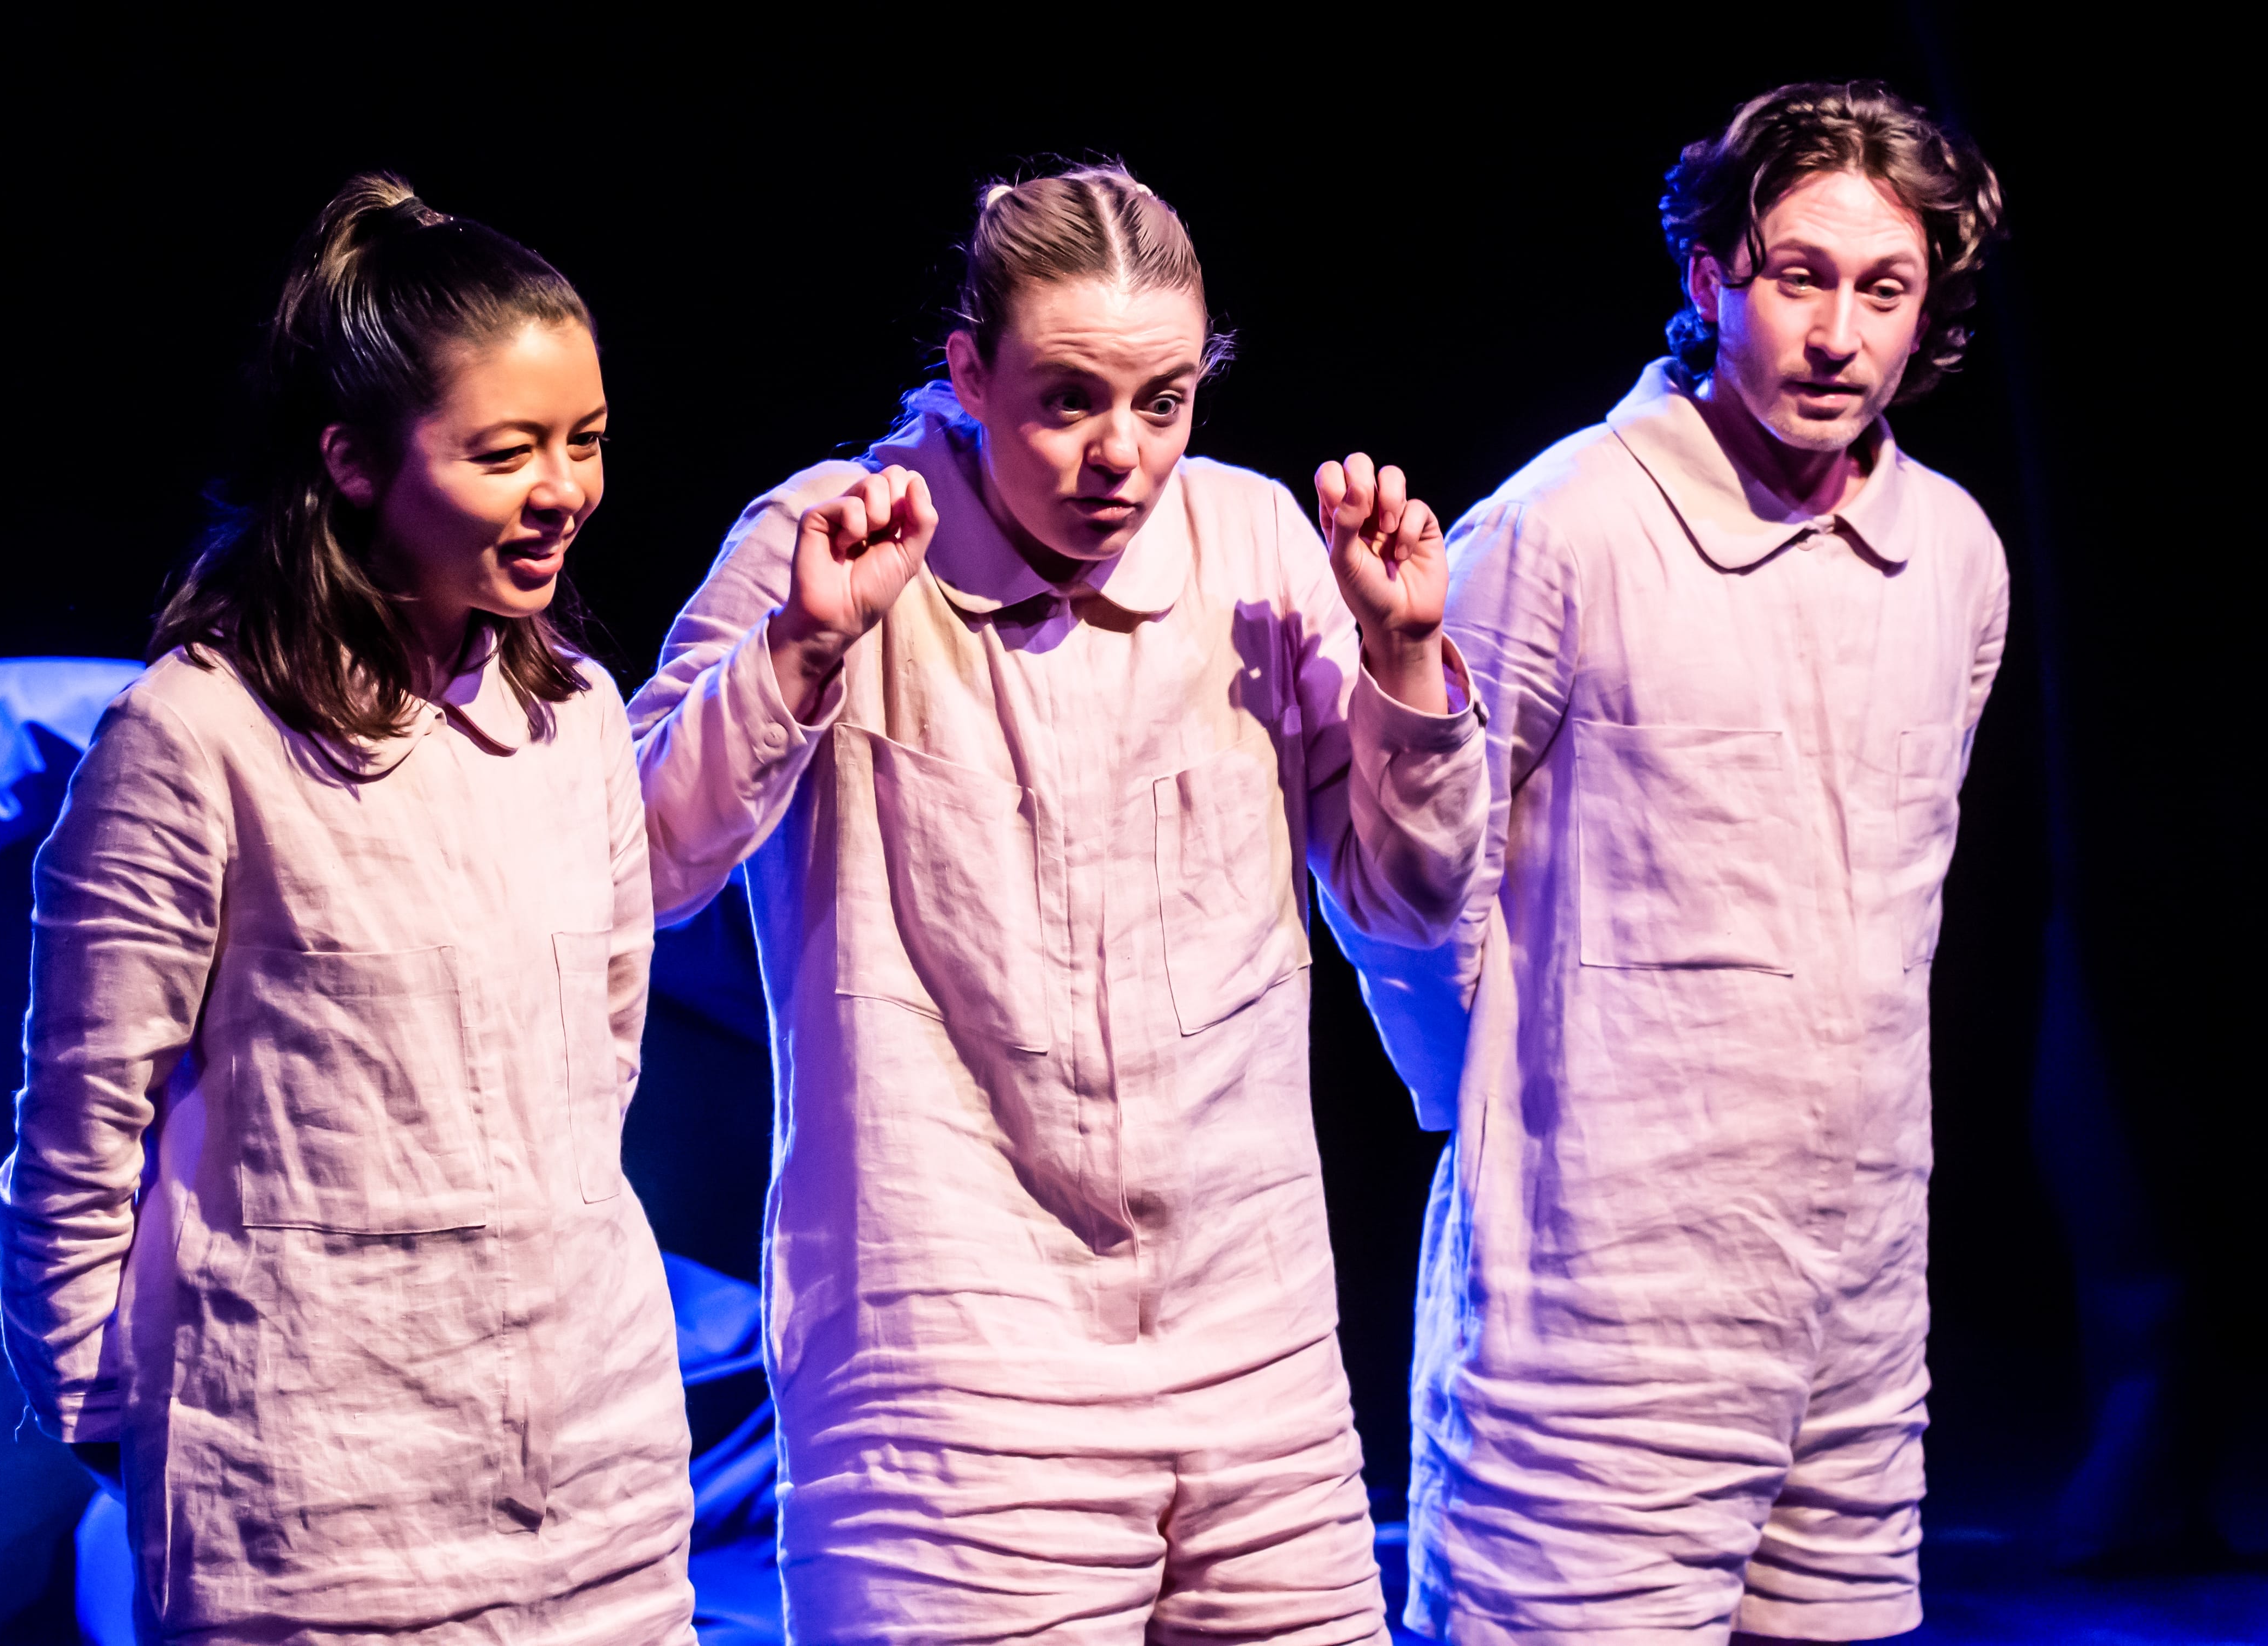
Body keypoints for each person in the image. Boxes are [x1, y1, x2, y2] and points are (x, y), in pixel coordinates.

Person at [632, 164, 1487, 1643]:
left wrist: (1406, 661)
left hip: (1256, 1354)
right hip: (950, 1374)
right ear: (969, 372)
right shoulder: (826, 537)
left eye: (1164, 402)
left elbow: (1410, 901)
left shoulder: (1256, 544)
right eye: (1069, 401)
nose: (1122, 456)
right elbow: (641, 858)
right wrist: (801, 654)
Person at [1332, 82, 2009, 1644]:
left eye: (1884, 288)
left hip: (1857, 1311)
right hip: (1596, 1323)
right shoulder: (1563, 528)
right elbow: (1407, 884)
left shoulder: (1958, 555)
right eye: (1798, 277)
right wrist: (1500, 1125)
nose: (1836, 334)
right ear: (1710, 278)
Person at [0, 174, 695, 1643]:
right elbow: (80, 1125)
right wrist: (110, 1418)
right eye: (507, 450)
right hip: (313, 1516)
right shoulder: (198, 737)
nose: (564, 487)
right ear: (355, 463)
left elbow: (602, 1063)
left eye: (585, 439)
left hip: (602, 1494)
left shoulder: (576, 722)